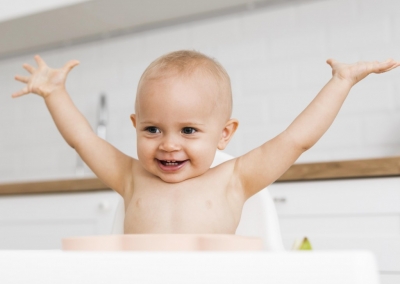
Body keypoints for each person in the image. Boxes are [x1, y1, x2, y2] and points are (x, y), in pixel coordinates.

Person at [12, 50, 400, 234]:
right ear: (134, 126)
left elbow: (297, 139)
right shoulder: (130, 178)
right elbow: (82, 139)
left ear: (224, 134)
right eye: (152, 130)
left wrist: (341, 82)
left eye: (189, 131)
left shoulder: (235, 179)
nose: (168, 145)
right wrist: (54, 94)